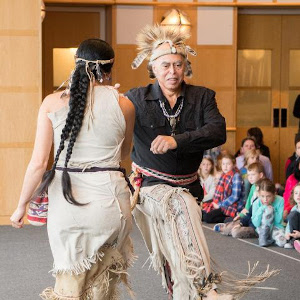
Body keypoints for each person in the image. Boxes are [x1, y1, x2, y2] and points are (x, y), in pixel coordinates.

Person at [10, 39, 135, 300]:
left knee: (70, 283)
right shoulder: (125, 105)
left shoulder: (52, 103)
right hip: (111, 200)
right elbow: (124, 154)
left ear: (75, 65)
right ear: (110, 69)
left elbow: (38, 163)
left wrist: (21, 206)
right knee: (102, 286)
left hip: (69, 202)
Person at [213, 162, 265, 239]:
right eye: (249, 175)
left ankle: (236, 227)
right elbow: (248, 205)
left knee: (235, 233)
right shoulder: (253, 186)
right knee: (230, 226)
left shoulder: (263, 187)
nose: (250, 177)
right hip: (248, 216)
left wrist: (243, 219)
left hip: (255, 221)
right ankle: (228, 226)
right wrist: (240, 215)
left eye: (253, 175)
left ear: (260, 175)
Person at [203, 154, 244, 224]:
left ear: (234, 165)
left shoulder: (236, 176)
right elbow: (219, 193)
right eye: (223, 164)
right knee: (202, 213)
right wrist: (216, 203)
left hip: (232, 206)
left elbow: (235, 197)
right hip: (222, 203)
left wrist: (220, 205)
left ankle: (230, 218)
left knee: (207, 218)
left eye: (228, 164)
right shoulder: (223, 175)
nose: (225, 166)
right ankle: (226, 218)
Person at [251, 179, 286, 247]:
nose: (265, 199)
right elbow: (256, 223)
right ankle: (264, 237)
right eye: (262, 196)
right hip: (262, 228)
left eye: (268, 196)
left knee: (282, 242)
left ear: (274, 194)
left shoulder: (280, 200)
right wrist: (262, 208)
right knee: (267, 210)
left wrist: (273, 209)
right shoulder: (256, 203)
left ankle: (270, 238)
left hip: (276, 227)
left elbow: (278, 220)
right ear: (259, 194)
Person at [284, 183, 300, 249]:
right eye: (296, 193)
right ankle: (293, 241)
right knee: (292, 215)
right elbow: (289, 224)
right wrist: (287, 233)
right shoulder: (294, 208)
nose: (298, 195)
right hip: (296, 232)